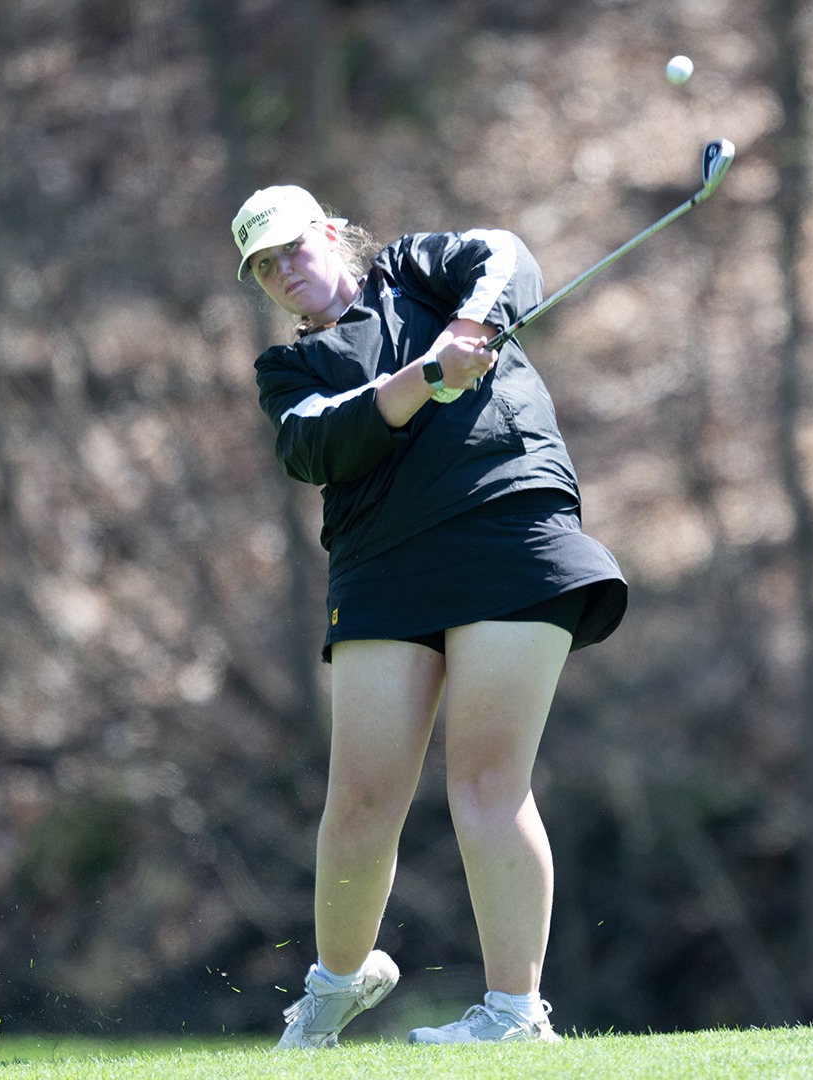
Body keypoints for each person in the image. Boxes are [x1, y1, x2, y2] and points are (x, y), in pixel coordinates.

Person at [233, 183, 627, 1048]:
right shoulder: (287, 372)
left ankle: (515, 1015)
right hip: (384, 563)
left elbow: (505, 253)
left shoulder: (416, 270)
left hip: (505, 522)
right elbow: (317, 442)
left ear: (329, 234)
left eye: (294, 247)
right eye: (264, 266)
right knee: (362, 797)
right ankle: (334, 992)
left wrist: (472, 326)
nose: (285, 270)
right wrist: (428, 375)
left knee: (487, 783)